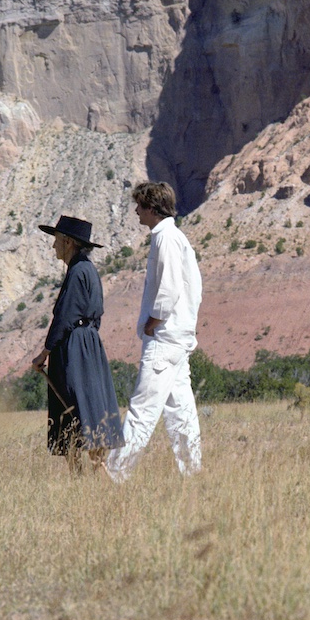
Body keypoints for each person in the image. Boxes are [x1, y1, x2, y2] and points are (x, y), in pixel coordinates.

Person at [106, 181, 202, 482]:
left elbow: (170, 287)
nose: (136, 211)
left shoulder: (166, 238)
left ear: (151, 207)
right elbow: (193, 292)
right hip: (177, 339)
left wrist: (154, 321)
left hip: (164, 339)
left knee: (142, 409)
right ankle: (192, 473)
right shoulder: (175, 237)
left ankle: (115, 473)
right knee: (181, 413)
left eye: (139, 205)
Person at [32, 214, 124, 472]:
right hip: (89, 344)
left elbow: (64, 317)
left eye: (56, 241)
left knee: (75, 407)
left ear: (68, 242)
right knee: (90, 406)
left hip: (74, 349)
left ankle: (86, 474)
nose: (53, 246)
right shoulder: (88, 270)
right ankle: (89, 474)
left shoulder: (78, 272)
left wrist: (44, 353)